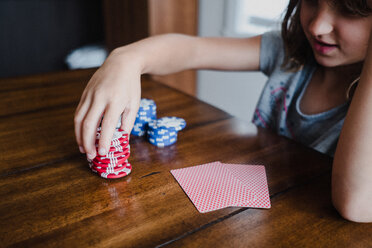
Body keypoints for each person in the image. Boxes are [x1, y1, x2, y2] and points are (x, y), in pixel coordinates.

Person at [74, 0, 372, 222]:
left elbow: (355, 204)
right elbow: (192, 49)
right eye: (311, 0)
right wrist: (126, 58)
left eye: (351, 10)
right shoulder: (289, 51)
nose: (317, 25)